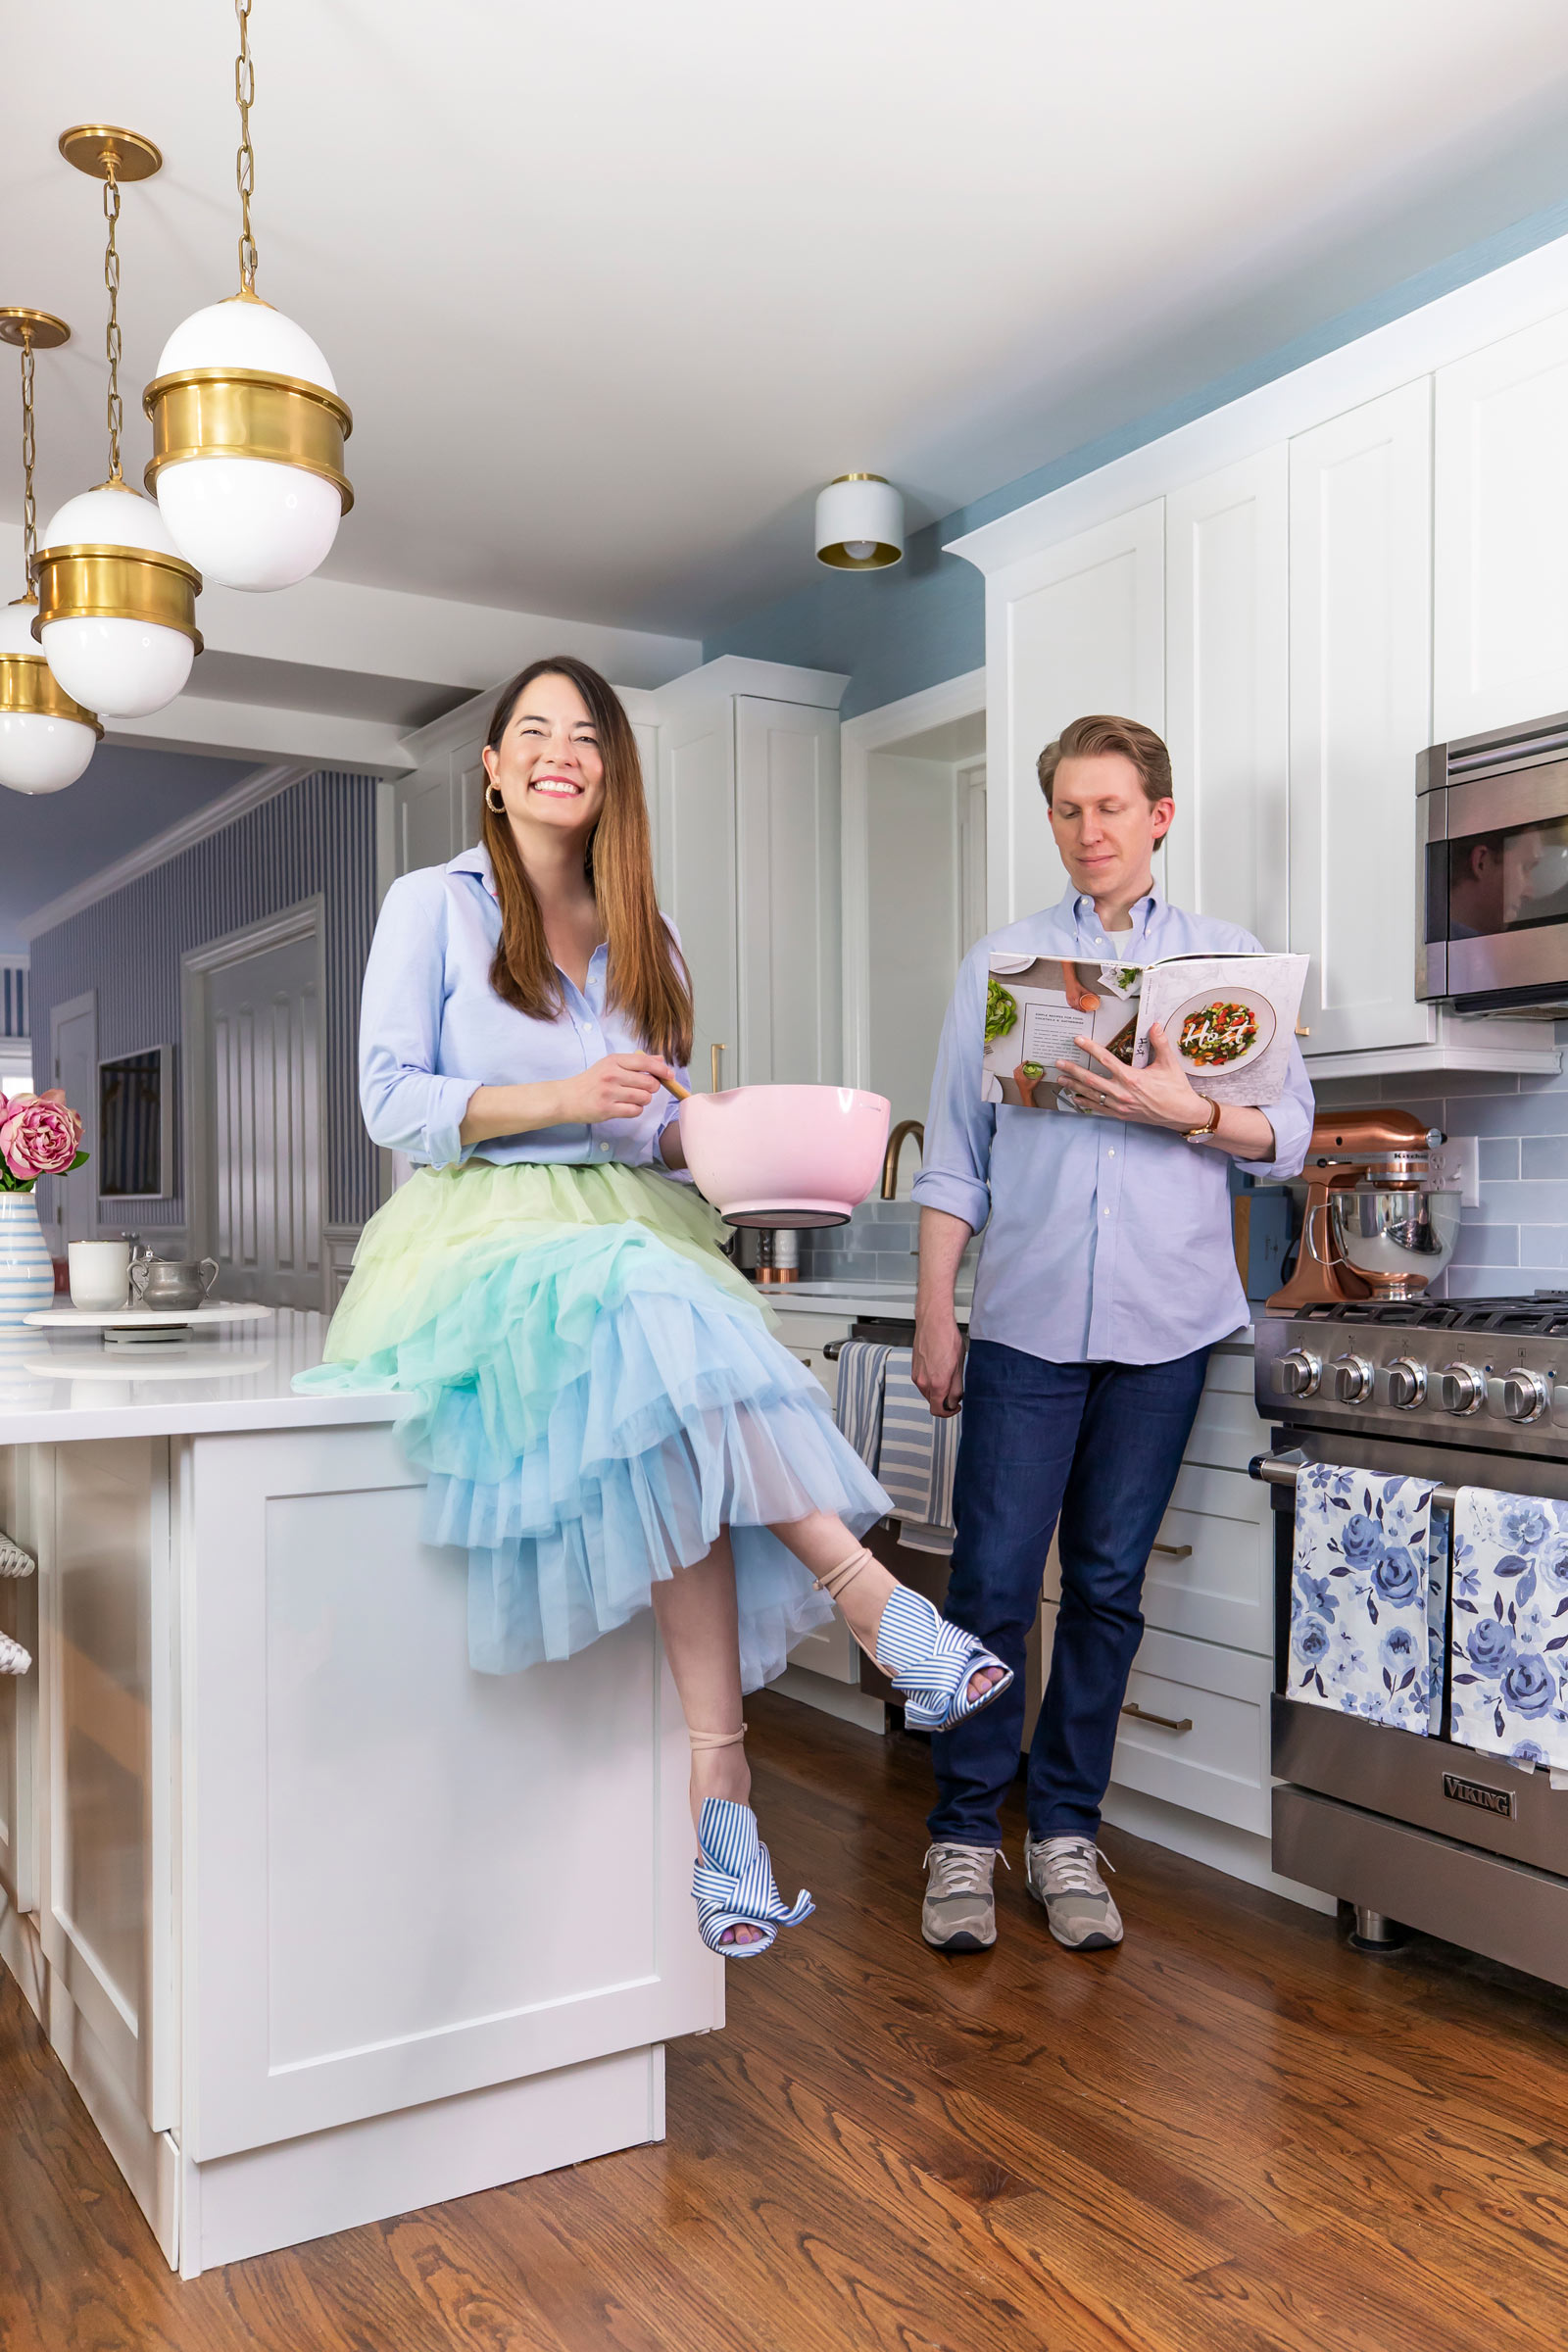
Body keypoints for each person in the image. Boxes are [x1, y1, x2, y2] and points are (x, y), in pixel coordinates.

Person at [298, 655, 1010, 1958]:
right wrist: (568, 1100)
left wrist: (737, 1141)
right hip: (482, 1232)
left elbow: (654, 1137)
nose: (562, 750)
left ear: (610, 771)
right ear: (496, 768)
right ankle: (874, 1601)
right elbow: (392, 1103)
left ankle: (720, 1800)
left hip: (626, 1223)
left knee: (676, 1419)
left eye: (588, 734)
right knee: (655, 1301)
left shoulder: (649, 930)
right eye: (534, 731)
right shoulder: (432, 905)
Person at [910, 713, 1312, 1956]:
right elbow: (956, 1165)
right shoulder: (1004, 963)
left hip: (1166, 1331)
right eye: (1068, 812)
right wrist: (939, 1311)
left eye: (1111, 808)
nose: (1090, 832)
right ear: (1054, 825)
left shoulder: (1226, 966)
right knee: (987, 1588)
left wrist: (1183, 1107)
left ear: (1159, 817)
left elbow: (1287, 1135)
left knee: (1103, 1590)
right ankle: (965, 1836)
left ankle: (1066, 1832)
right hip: (1024, 1323)